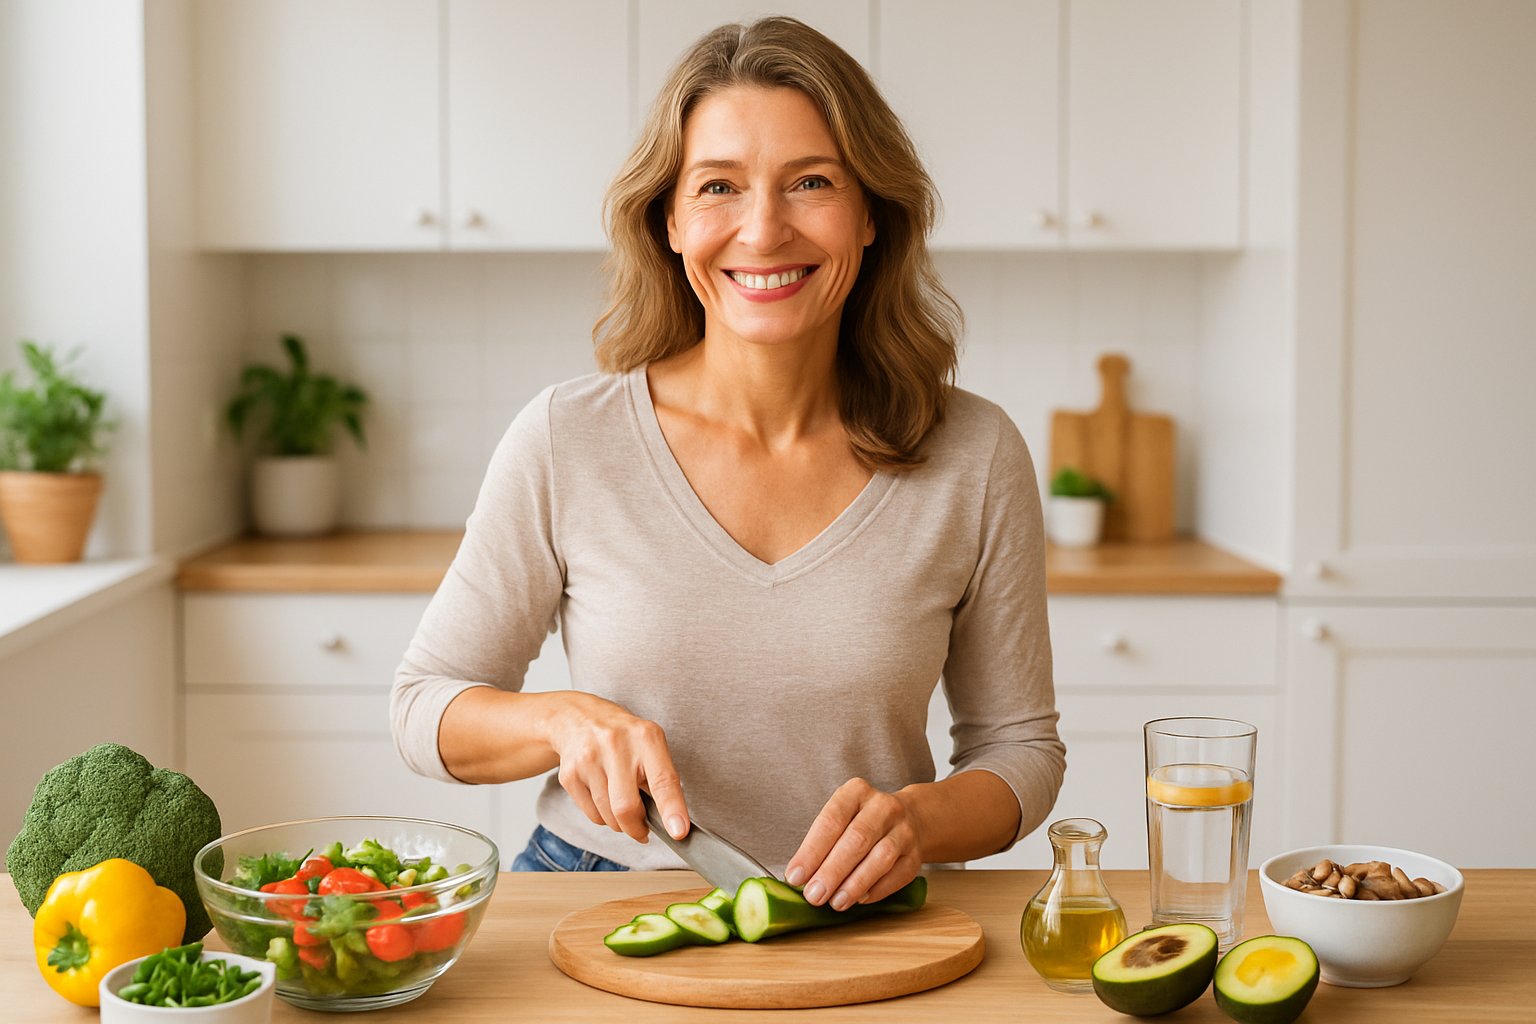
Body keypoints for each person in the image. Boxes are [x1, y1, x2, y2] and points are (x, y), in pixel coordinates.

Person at [391, 17, 1064, 912]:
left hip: (869, 916)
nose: (763, 228)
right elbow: (422, 709)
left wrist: (922, 821)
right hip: (593, 895)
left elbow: (1021, 749)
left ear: (870, 214)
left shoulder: (974, 456)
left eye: (811, 182)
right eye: (718, 186)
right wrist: (562, 720)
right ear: (669, 220)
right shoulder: (565, 438)